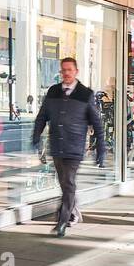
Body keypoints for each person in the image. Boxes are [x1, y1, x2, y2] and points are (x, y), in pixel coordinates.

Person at [32, 56, 106, 236]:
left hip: (74, 146)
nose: (66, 73)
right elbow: (42, 116)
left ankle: (62, 221)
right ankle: (72, 211)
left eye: (69, 70)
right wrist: (36, 136)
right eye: (63, 70)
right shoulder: (53, 91)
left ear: (76, 71)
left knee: (69, 181)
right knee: (65, 183)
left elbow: (97, 124)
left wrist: (100, 149)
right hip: (57, 145)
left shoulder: (85, 94)